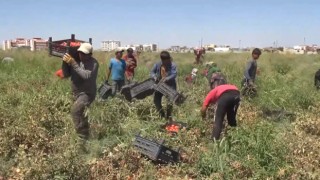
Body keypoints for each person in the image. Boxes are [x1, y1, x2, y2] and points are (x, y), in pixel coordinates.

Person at [62, 43, 99, 140]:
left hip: (87, 94)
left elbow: (86, 76)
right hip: (77, 93)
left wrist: (73, 63)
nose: (81, 55)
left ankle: (81, 137)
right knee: (82, 115)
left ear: (90, 54)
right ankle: (86, 134)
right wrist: (65, 64)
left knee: (75, 111)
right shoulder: (77, 61)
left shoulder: (93, 63)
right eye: (80, 53)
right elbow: (67, 74)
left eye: (84, 53)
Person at [150, 51, 177, 120]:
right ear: (162, 60)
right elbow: (152, 72)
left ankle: (168, 116)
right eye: (166, 60)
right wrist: (154, 77)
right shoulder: (157, 64)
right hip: (159, 86)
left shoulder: (173, 65)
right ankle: (161, 114)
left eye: (168, 60)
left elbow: (174, 74)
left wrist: (167, 79)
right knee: (156, 101)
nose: (167, 61)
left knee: (169, 103)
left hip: (170, 86)